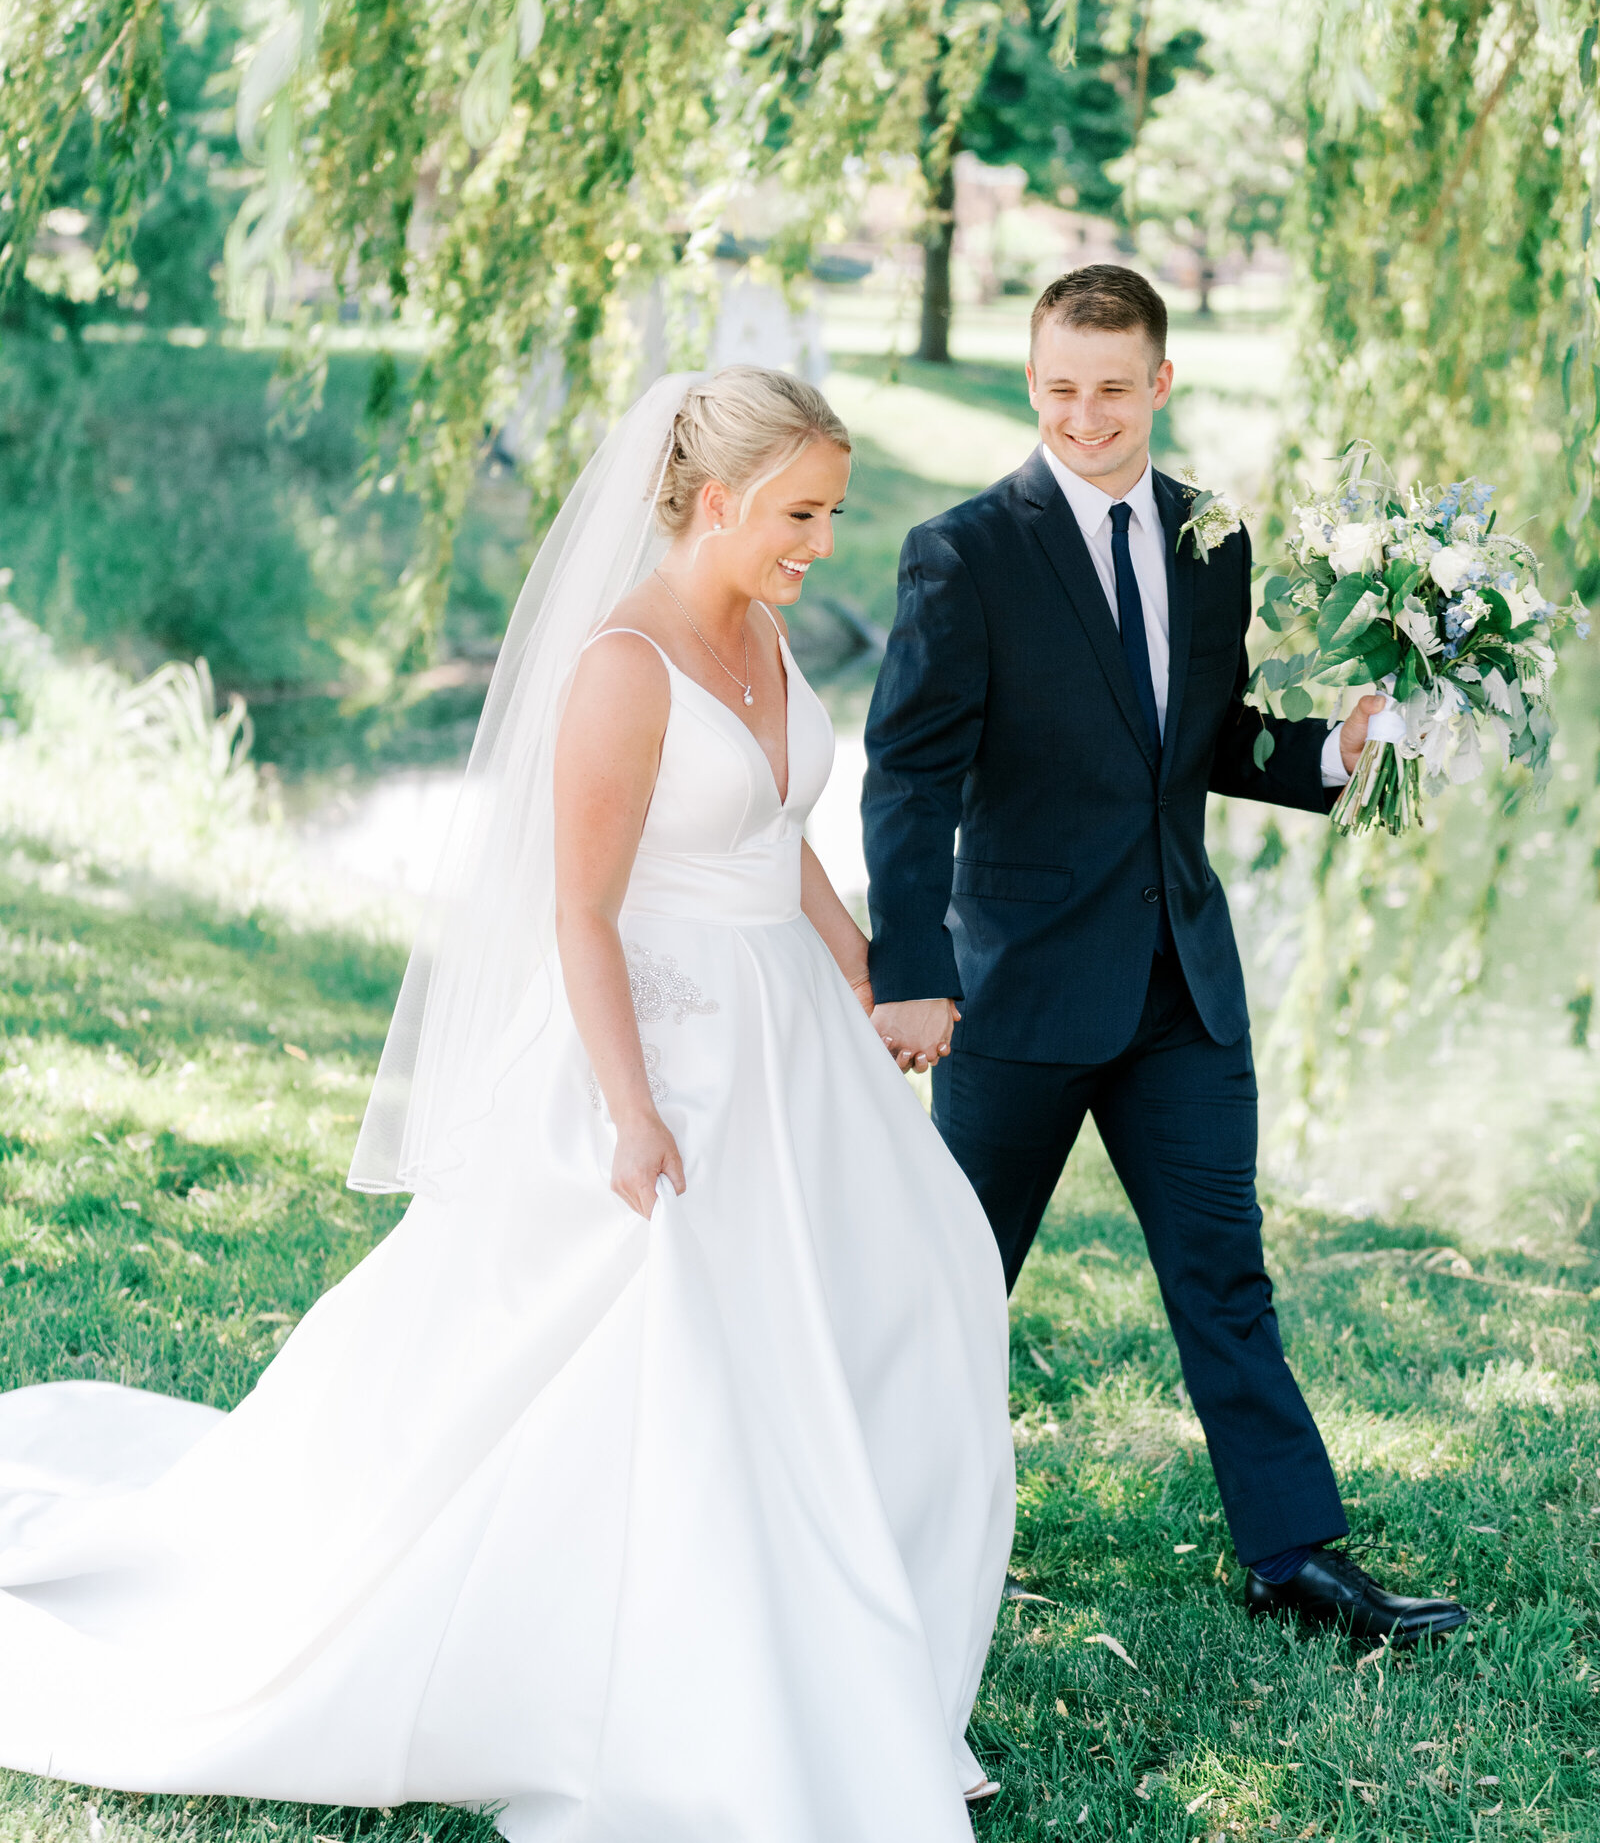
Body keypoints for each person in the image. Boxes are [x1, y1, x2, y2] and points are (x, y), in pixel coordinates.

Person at [0, 368, 1014, 1840]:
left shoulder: (771, 634)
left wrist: (868, 970)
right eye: (801, 512)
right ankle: (699, 1678)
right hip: (670, 1052)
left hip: (796, 1041)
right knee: (689, 1362)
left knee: (927, 1292)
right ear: (717, 498)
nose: (821, 540)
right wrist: (632, 1110)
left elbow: (782, 839)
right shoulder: (623, 665)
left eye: (832, 512)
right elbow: (583, 914)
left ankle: (865, 1642)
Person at [863, 267, 1467, 1647]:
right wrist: (911, 965)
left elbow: (1192, 738)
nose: (1085, 414)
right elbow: (907, 776)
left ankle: (1296, 1558)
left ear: (1161, 385)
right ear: (1033, 381)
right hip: (1013, 989)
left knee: (1224, 1270)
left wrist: (1332, 749)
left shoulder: (1213, 534)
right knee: (953, 1274)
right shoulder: (964, 551)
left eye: (1113, 388)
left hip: (1179, 985)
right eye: (1060, 386)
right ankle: (857, 1525)